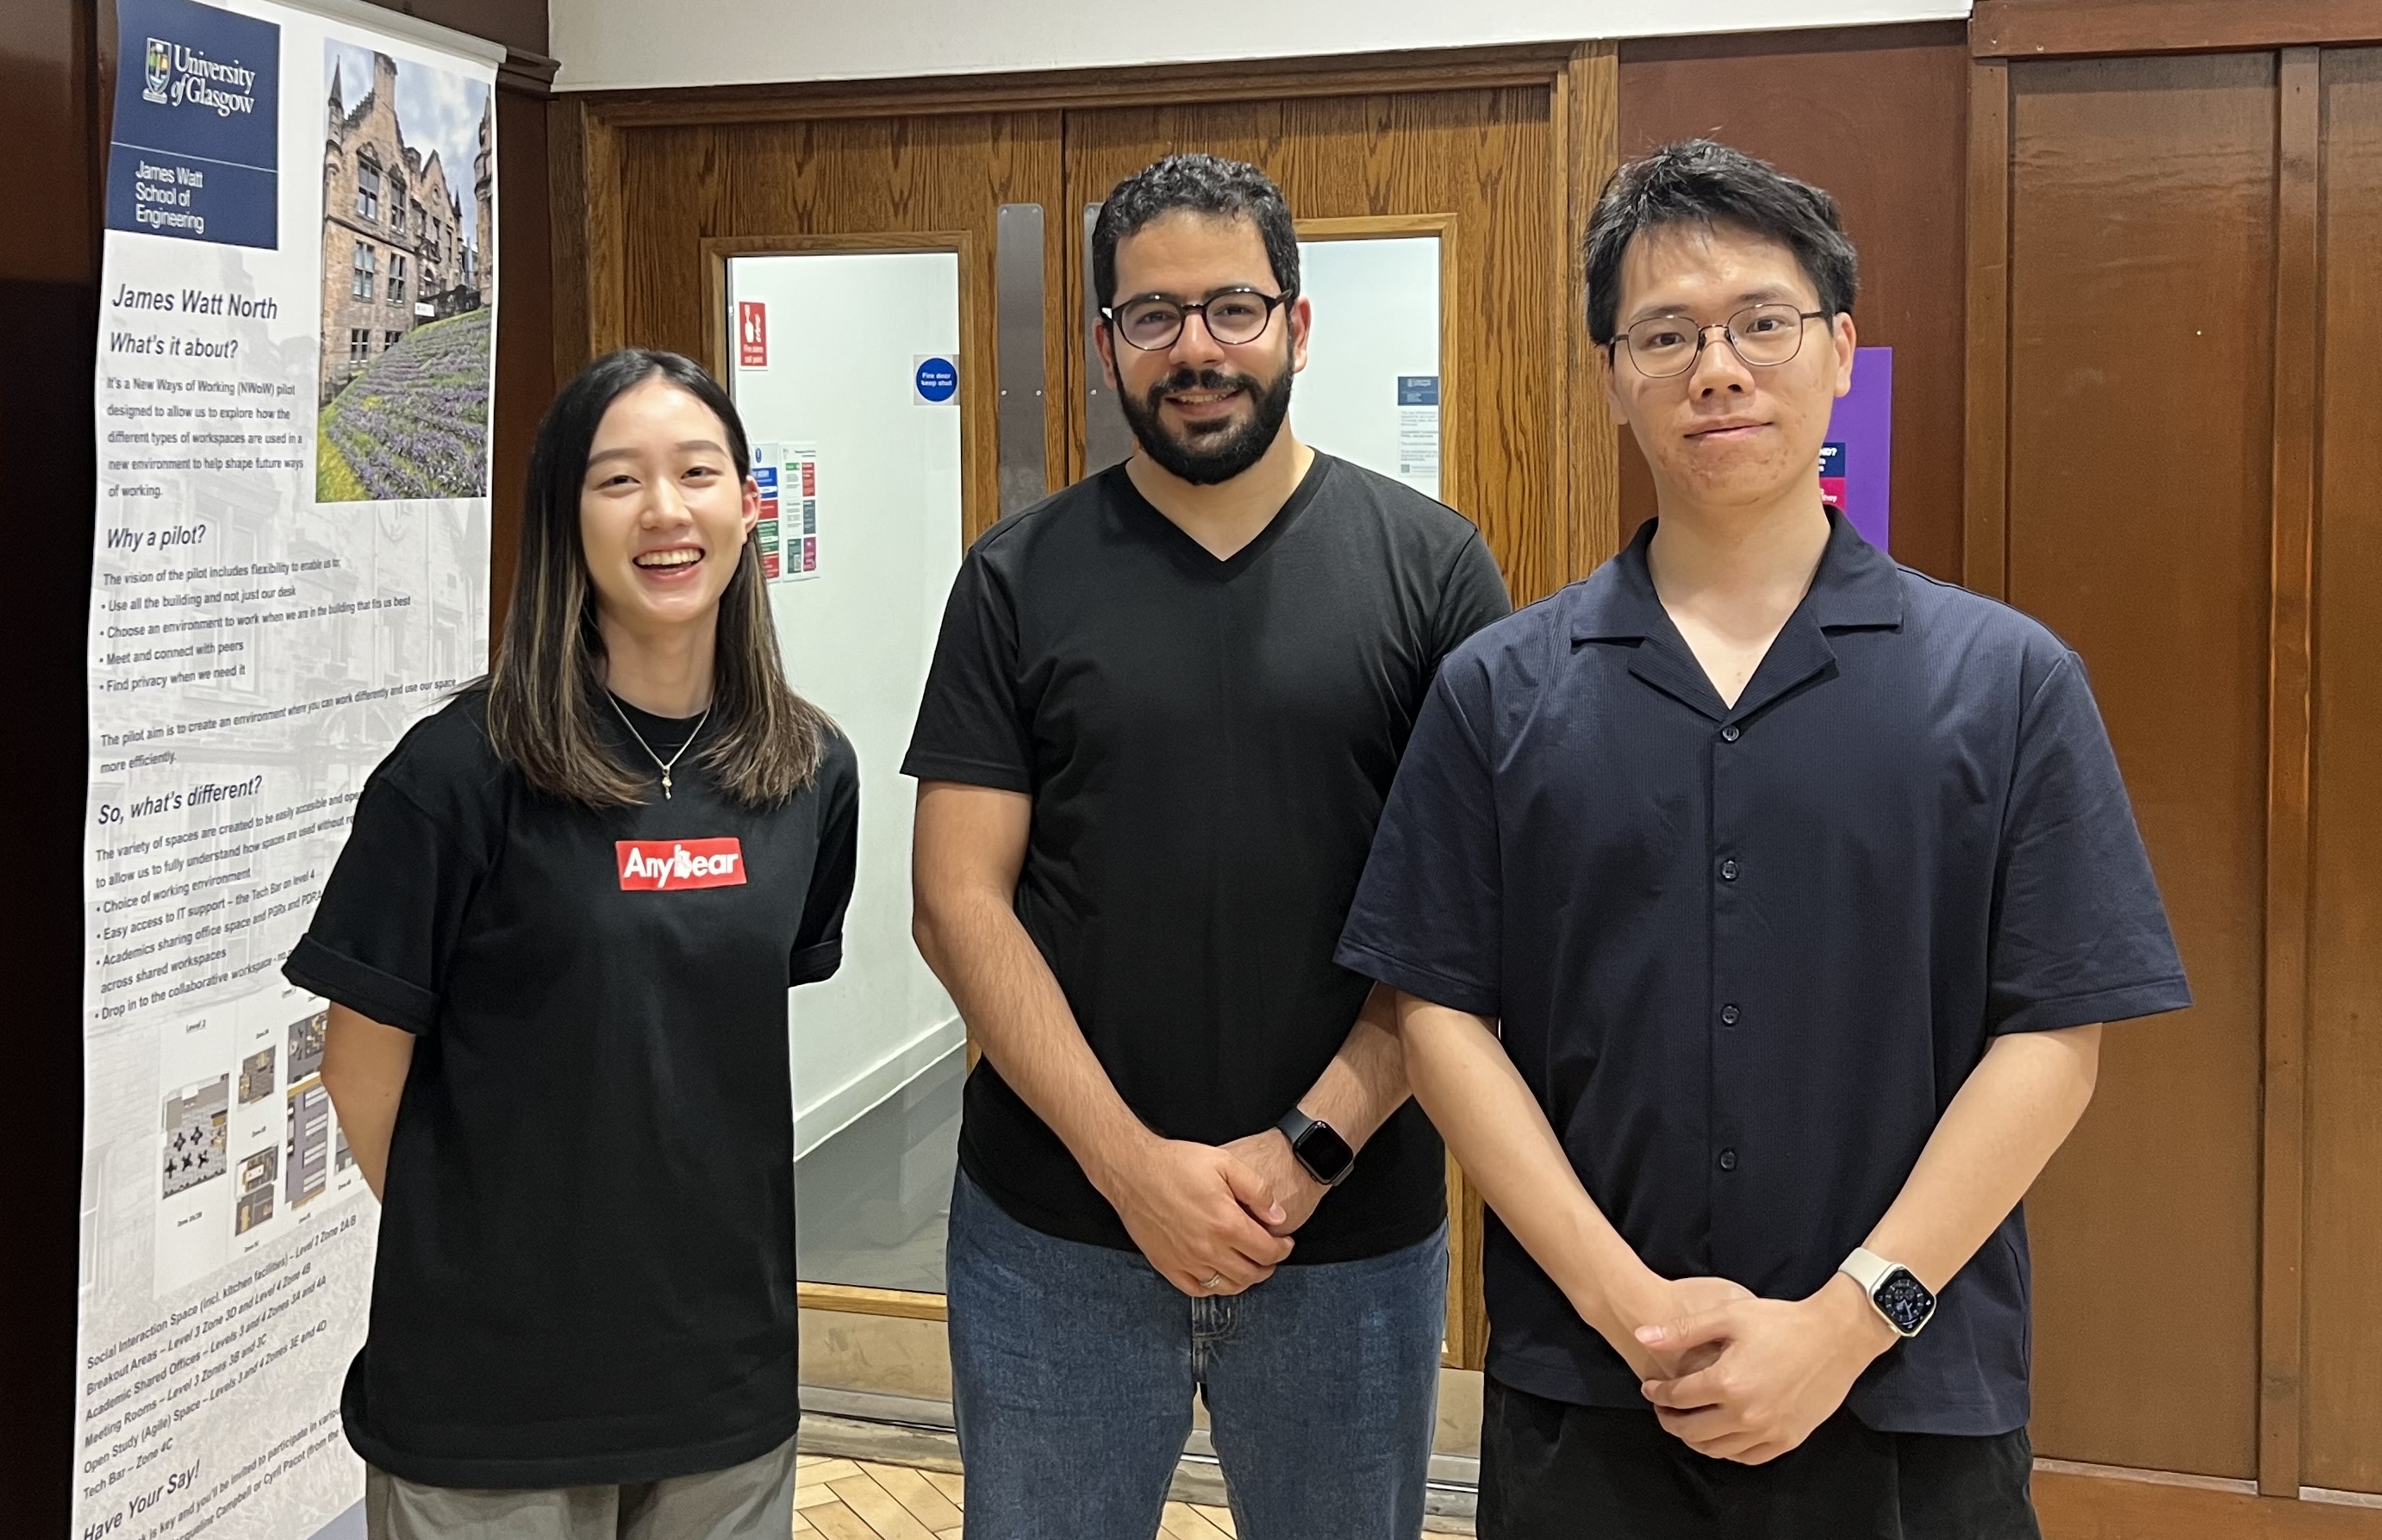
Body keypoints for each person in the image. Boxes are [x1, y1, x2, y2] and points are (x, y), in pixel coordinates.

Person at [1334, 140, 2192, 1539]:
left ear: (1841, 347)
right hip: (1595, 1398)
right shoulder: (1500, 688)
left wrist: (1854, 1319)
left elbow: (2054, 1037)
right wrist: (1630, 1312)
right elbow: (1441, 1016)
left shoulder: (2005, 680)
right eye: (1664, 335)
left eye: (1761, 323)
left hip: (1912, 1394)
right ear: (1613, 375)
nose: (1716, 369)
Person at [904, 153, 1510, 1540]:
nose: (1196, 350)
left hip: (1345, 1240)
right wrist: (1132, 1171)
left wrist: (1308, 1151)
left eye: (1233, 308)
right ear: (1105, 344)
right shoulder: (1014, 578)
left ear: (1298, 325)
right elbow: (956, 904)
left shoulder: (1433, 571)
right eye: (1153, 315)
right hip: (1053, 1235)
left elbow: (1470, 920)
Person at [286, 349, 859, 1540]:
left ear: (748, 509)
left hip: (721, 1388)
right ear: (564, 515)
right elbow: (358, 1071)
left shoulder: (807, 772)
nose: (666, 511)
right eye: (618, 481)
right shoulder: (456, 774)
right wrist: (496, 1247)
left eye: (698, 472)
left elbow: (717, 1042)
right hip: (489, 1403)